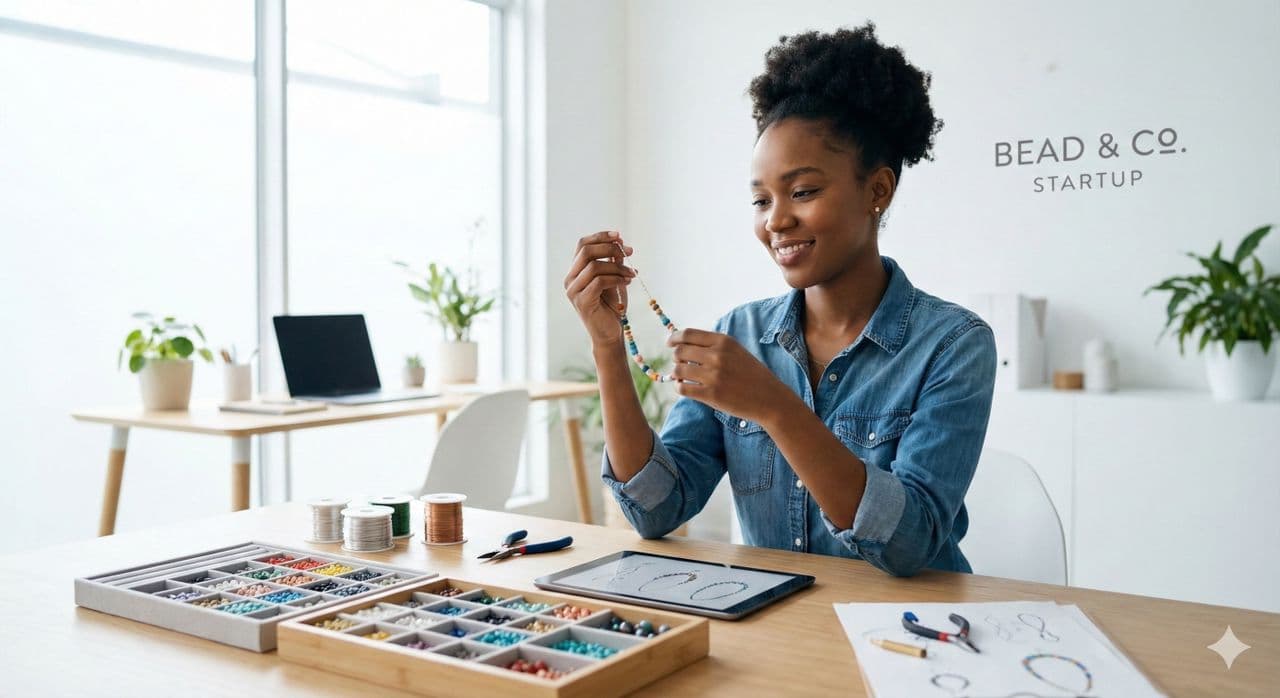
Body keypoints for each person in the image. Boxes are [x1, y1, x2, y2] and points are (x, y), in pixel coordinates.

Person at [563, 23, 996, 577]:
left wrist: (775, 406)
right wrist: (607, 347)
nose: (776, 221)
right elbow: (656, 509)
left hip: (908, 621)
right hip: (779, 619)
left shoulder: (953, 345)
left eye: (803, 191)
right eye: (761, 200)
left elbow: (909, 543)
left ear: (877, 190)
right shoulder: (740, 334)